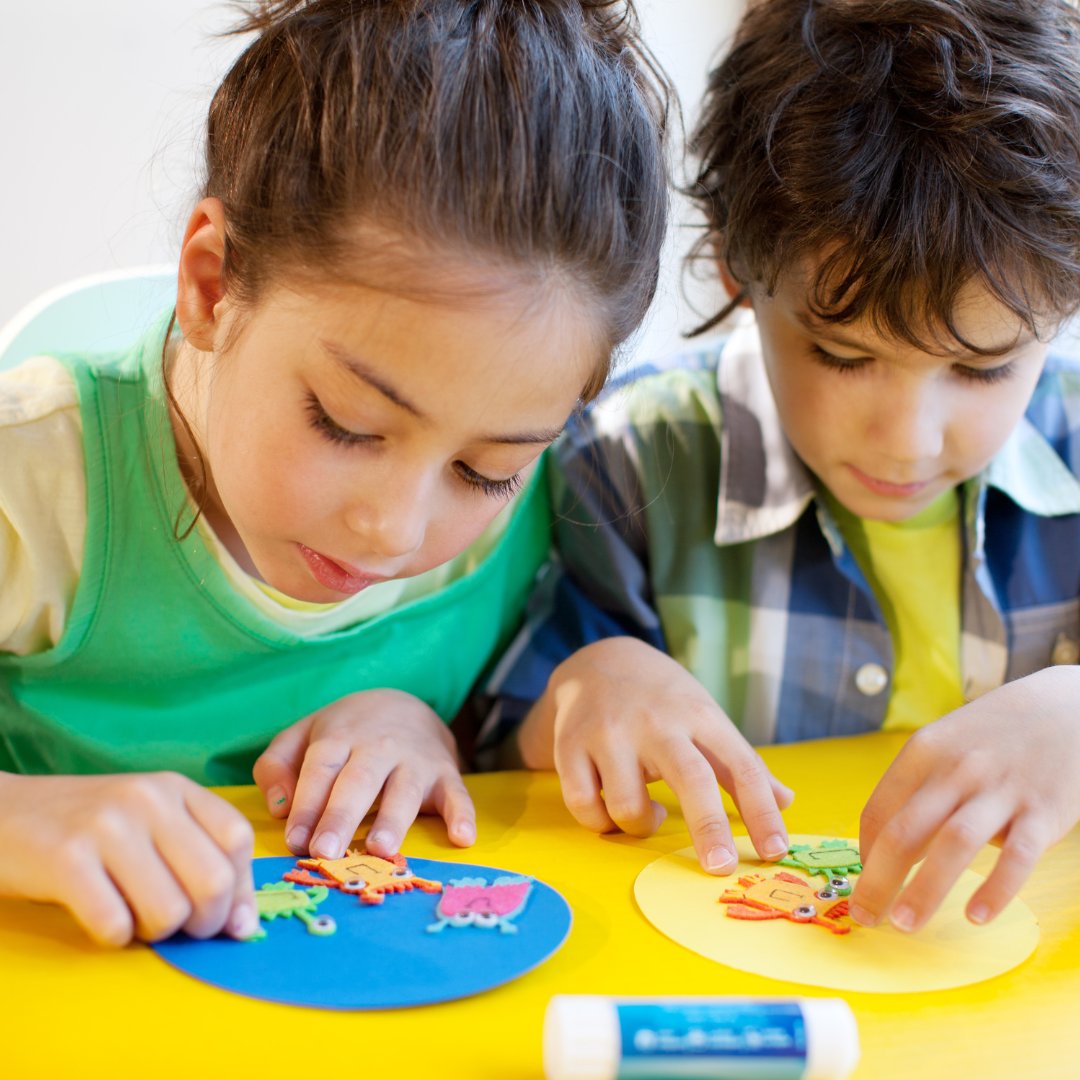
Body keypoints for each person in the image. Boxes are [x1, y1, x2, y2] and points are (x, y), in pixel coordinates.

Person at [0, 0, 668, 947]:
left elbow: (503, 726)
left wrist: (424, 728)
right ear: (212, 285)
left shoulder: (557, 488)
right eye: (347, 425)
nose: (395, 529)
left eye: (484, 471)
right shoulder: (34, 479)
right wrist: (19, 820)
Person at [482, 0, 1080, 934]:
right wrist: (587, 683)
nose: (908, 439)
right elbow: (498, 743)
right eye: (843, 356)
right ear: (738, 268)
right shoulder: (634, 459)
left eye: (982, 368)